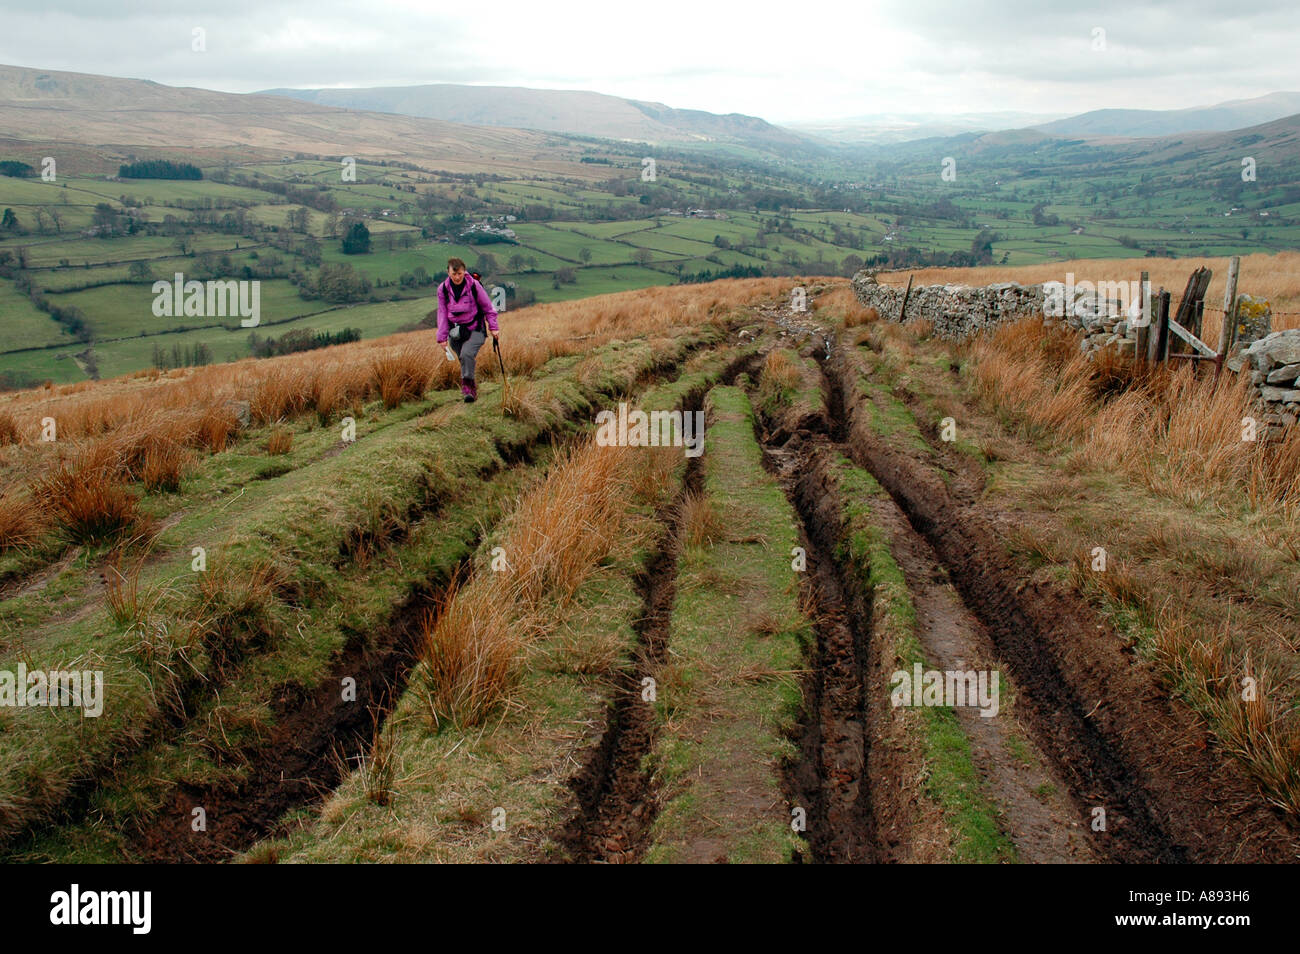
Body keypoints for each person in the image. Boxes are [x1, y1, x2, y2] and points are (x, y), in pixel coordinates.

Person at [435, 258, 499, 402]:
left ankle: (468, 389)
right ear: (448, 272)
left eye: (460, 273)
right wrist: (442, 337)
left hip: (476, 330)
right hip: (455, 334)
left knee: (466, 355)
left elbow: (488, 308)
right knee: (464, 359)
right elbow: (442, 313)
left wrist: (493, 327)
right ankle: (471, 387)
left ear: (464, 271)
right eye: (454, 274)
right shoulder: (443, 289)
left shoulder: (474, 286)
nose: (457, 277)